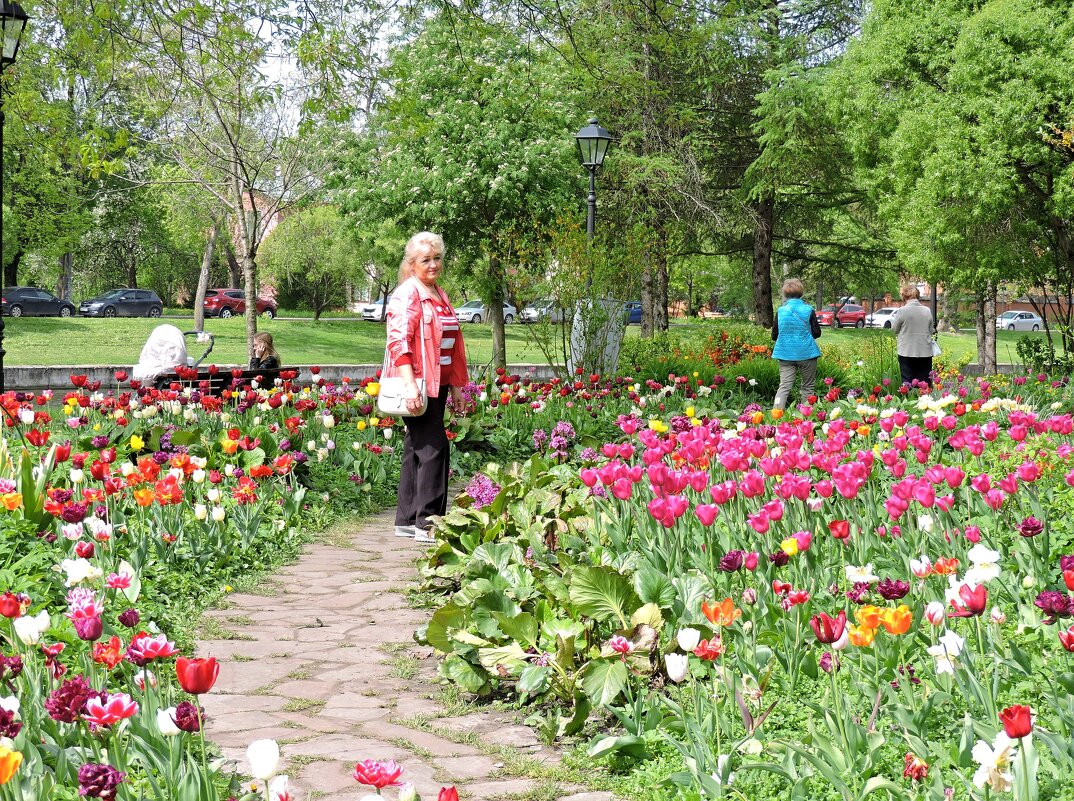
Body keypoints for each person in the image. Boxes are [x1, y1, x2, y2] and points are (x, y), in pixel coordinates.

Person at [383, 232, 469, 544]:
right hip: (416, 382)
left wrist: (457, 386)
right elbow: (398, 342)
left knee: (415, 446)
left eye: (436, 258)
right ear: (411, 264)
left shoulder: (437, 292)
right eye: (425, 260)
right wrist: (409, 385)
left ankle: (407, 520)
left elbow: (450, 344)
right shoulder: (408, 294)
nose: (433, 264)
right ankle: (429, 522)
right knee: (434, 447)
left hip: (439, 382)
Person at [770, 279, 822, 410]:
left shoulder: (781, 311)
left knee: (784, 386)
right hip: (807, 354)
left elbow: (774, 335)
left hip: (785, 355)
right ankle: (807, 418)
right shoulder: (809, 310)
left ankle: (776, 415)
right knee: (808, 387)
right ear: (801, 293)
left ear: (785, 294)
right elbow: (817, 333)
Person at [891, 285, 935, 388]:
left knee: (907, 382)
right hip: (924, 352)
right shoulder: (927, 311)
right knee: (924, 383)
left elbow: (894, 330)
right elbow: (931, 330)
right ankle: (925, 402)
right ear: (918, 296)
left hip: (906, 351)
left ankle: (909, 403)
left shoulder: (902, 311)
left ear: (905, 297)